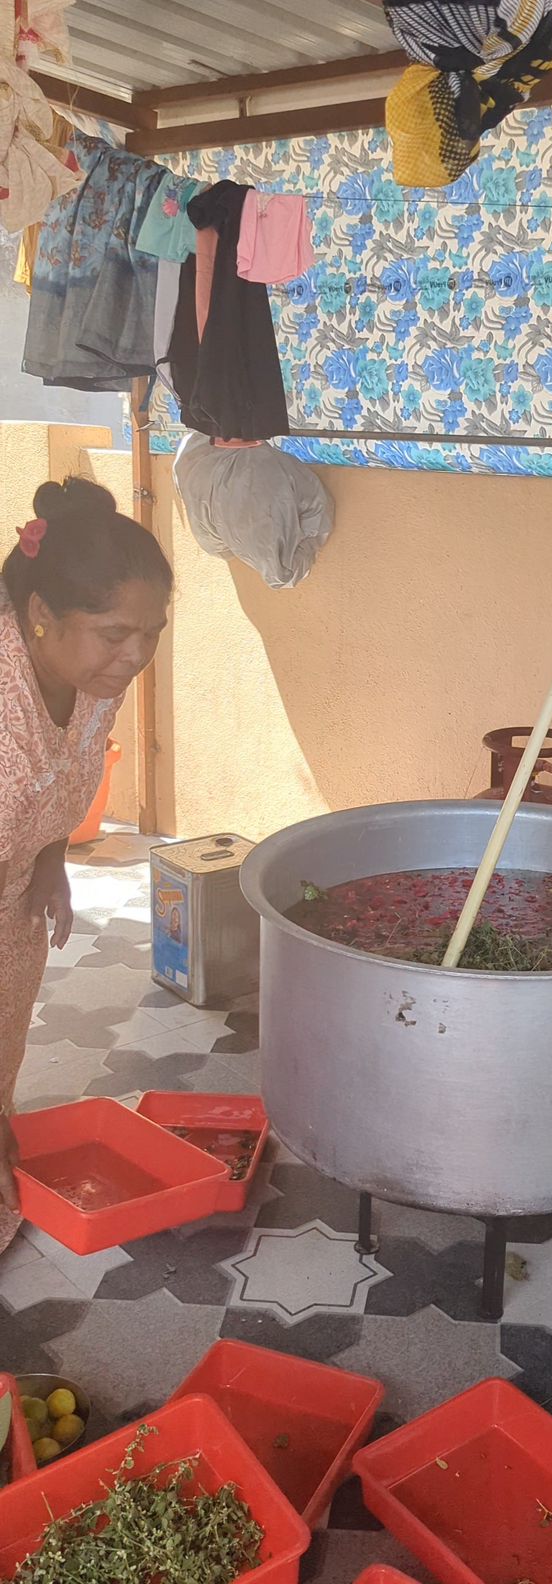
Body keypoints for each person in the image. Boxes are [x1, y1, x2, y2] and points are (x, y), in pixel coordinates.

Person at [0, 478, 172, 1251]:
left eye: (151, 632)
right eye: (114, 633)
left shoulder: (90, 677)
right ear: (41, 617)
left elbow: (52, 781)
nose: (135, 655)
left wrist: (47, 859)